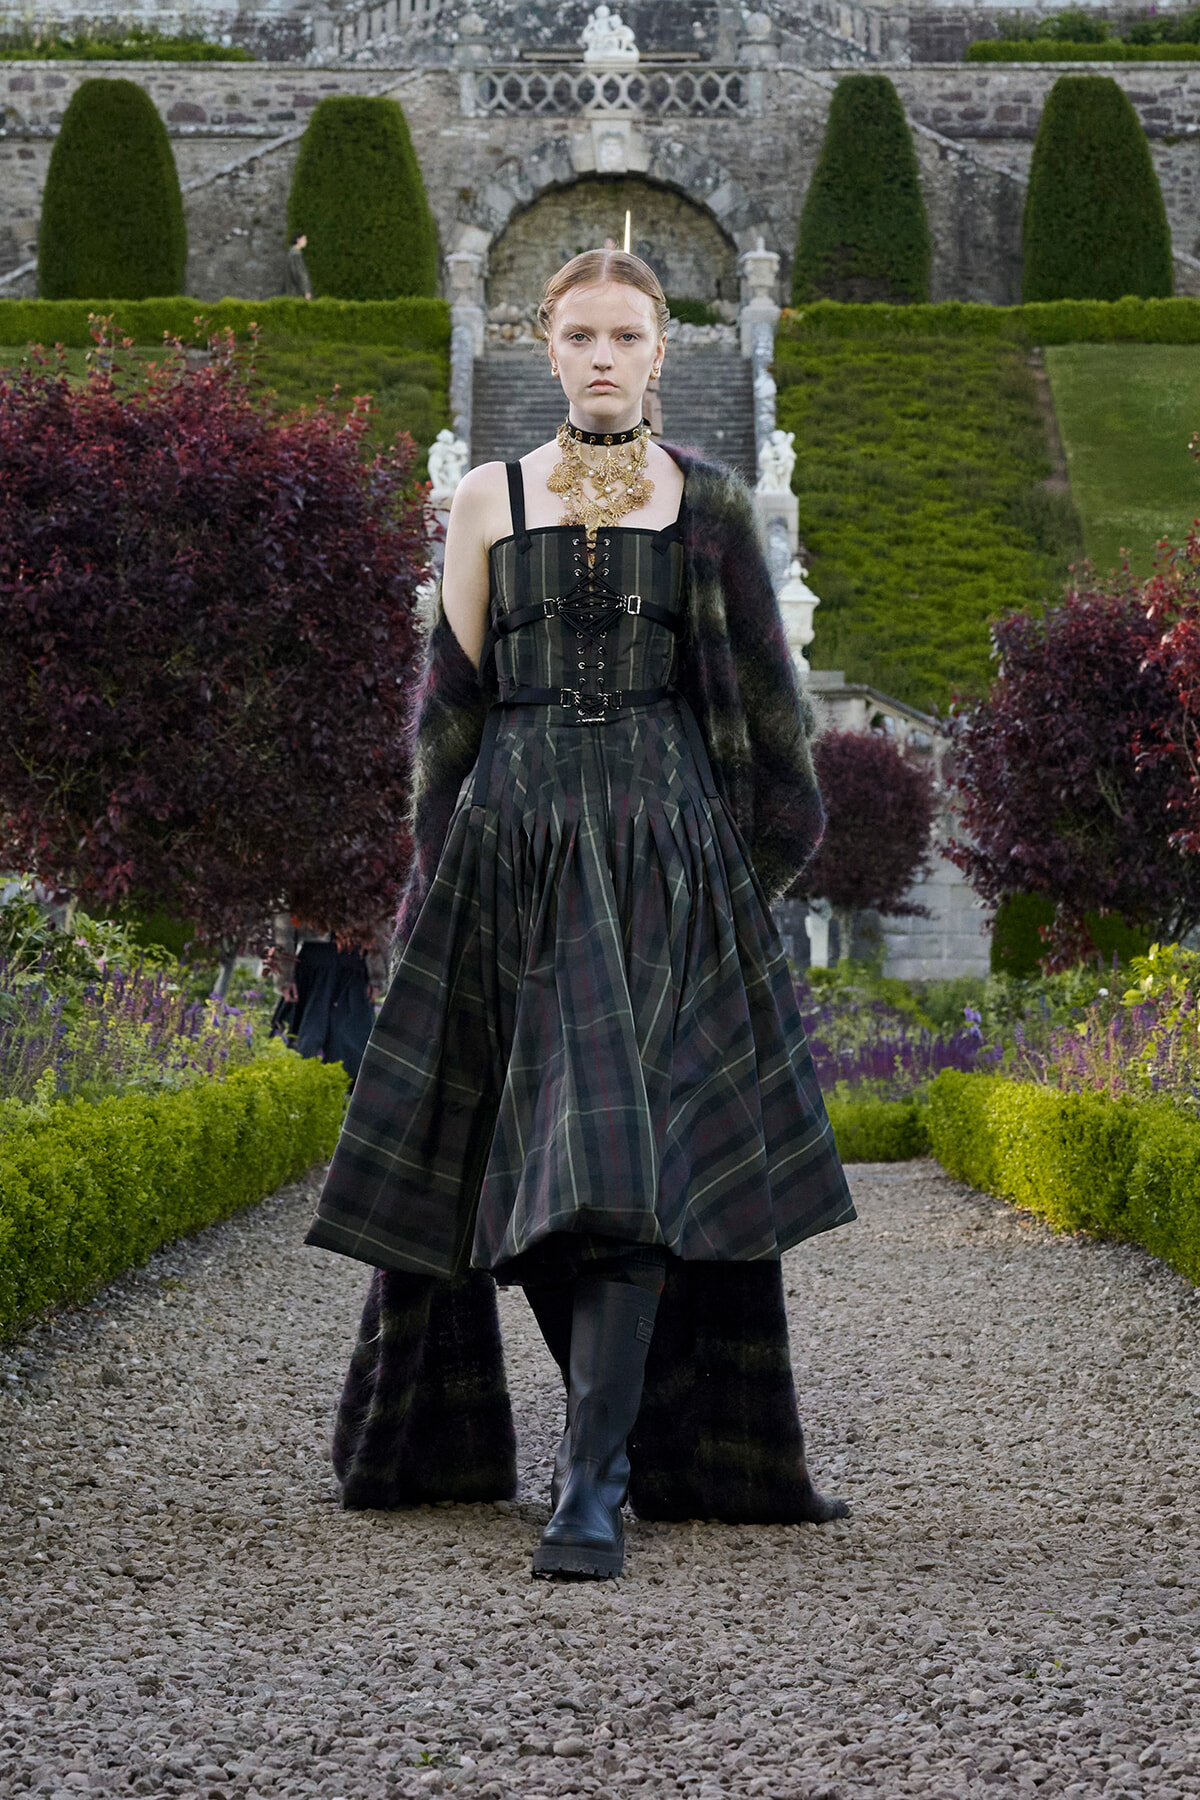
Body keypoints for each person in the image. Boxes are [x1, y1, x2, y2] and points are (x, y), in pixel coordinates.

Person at [305, 249, 856, 1579]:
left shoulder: (712, 504)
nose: (603, 356)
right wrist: (435, 884)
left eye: (626, 334)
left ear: (661, 348)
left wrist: (741, 884)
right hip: (511, 857)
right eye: (580, 335)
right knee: (538, 1168)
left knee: (622, 1176)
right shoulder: (485, 501)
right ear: (544, 347)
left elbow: (772, 715)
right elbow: (451, 710)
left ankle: (591, 1489)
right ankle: (641, 1437)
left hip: (667, 862)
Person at [270, 917, 382, 1083]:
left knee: (351, 1048)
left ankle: (342, 1102)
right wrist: (285, 976)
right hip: (314, 962)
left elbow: (379, 921)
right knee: (304, 1042)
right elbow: (284, 923)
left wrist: (376, 975)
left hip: (352, 963)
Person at [286, 232, 312, 300]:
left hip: (294, 290)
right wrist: (306, 291)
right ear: (298, 240)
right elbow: (300, 273)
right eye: (304, 239)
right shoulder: (296, 254)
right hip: (298, 291)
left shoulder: (292, 253)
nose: (306, 241)